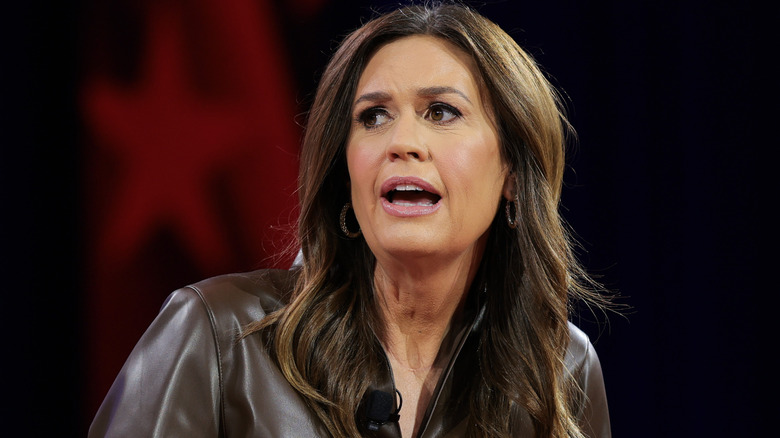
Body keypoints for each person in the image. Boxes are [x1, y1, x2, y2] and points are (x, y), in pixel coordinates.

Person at [89, 3, 611, 437]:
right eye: (373, 116)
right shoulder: (220, 336)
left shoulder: (559, 368)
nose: (401, 142)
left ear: (513, 174)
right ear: (346, 174)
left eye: (441, 112)